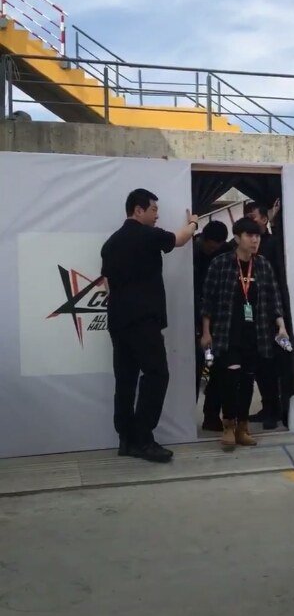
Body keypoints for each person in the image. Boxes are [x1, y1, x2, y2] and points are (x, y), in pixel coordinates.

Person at [101, 189, 199, 463]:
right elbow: (180, 239)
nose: (157, 215)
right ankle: (144, 439)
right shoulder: (147, 235)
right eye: (154, 209)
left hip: (118, 321)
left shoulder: (110, 243)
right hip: (143, 320)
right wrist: (194, 223)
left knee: (126, 380)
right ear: (138, 210)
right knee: (157, 374)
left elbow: (106, 281)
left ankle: (126, 440)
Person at [201, 217, 289, 450]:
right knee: (230, 378)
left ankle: (242, 426)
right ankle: (228, 425)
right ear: (237, 238)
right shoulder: (221, 263)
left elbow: (274, 298)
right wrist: (206, 332)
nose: (255, 240)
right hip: (228, 332)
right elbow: (208, 301)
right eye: (250, 236)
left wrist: (281, 326)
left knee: (248, 380)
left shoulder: (263, 265)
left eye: (257, 236)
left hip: (256, 333)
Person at [244, 201, 283, 429]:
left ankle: (274, 410)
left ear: (264, 220)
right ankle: (267, 407)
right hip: (250, 312)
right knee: (257, 364)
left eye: (253, 217)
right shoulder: (242, 248)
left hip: (268, 313)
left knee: (269, 363)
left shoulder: (272, 244)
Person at [193, 220, 229, 430]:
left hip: (216, 318)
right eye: (211, 247)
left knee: (216, 369)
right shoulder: (190, 252)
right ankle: (187, 416)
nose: (213, 250)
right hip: (192, 316)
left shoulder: (223, 253)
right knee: (196, 369)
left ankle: (211, 415)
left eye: (217, 247)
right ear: (204, 239)